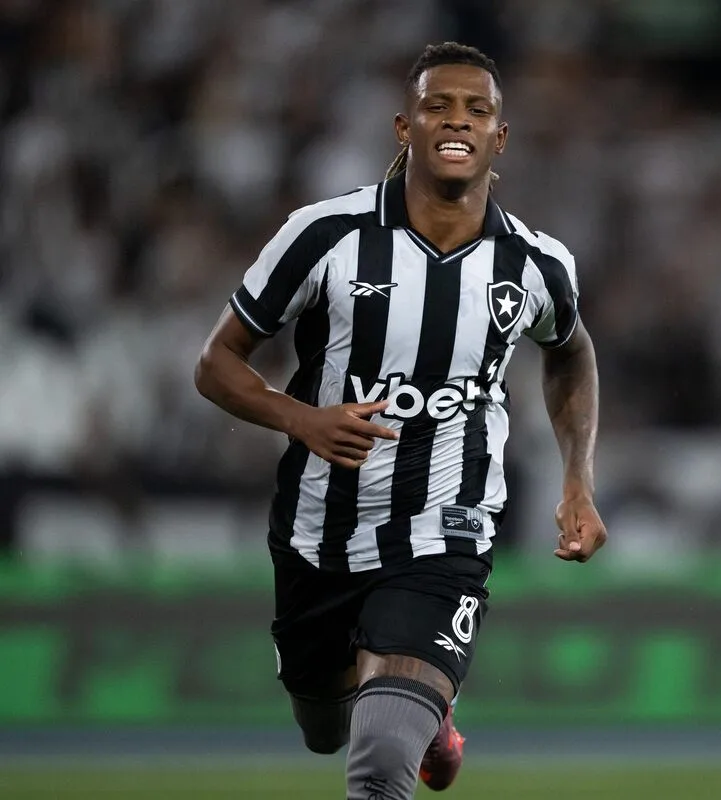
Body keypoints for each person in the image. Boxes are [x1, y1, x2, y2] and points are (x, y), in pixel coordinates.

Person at [194, 41, 607, 800]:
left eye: (477, 110)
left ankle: (413, 712)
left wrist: (577, 481)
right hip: (319, 531)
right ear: (404, 126)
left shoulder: (535, 264)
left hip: (444, 531)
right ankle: (429, 720)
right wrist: (301, 420)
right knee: (326, 729)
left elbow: (571, 354)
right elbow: (216, 362)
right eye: (437, 106)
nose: (457, 121)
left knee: (380, 759)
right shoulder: (325, 234)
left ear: (500, 137)